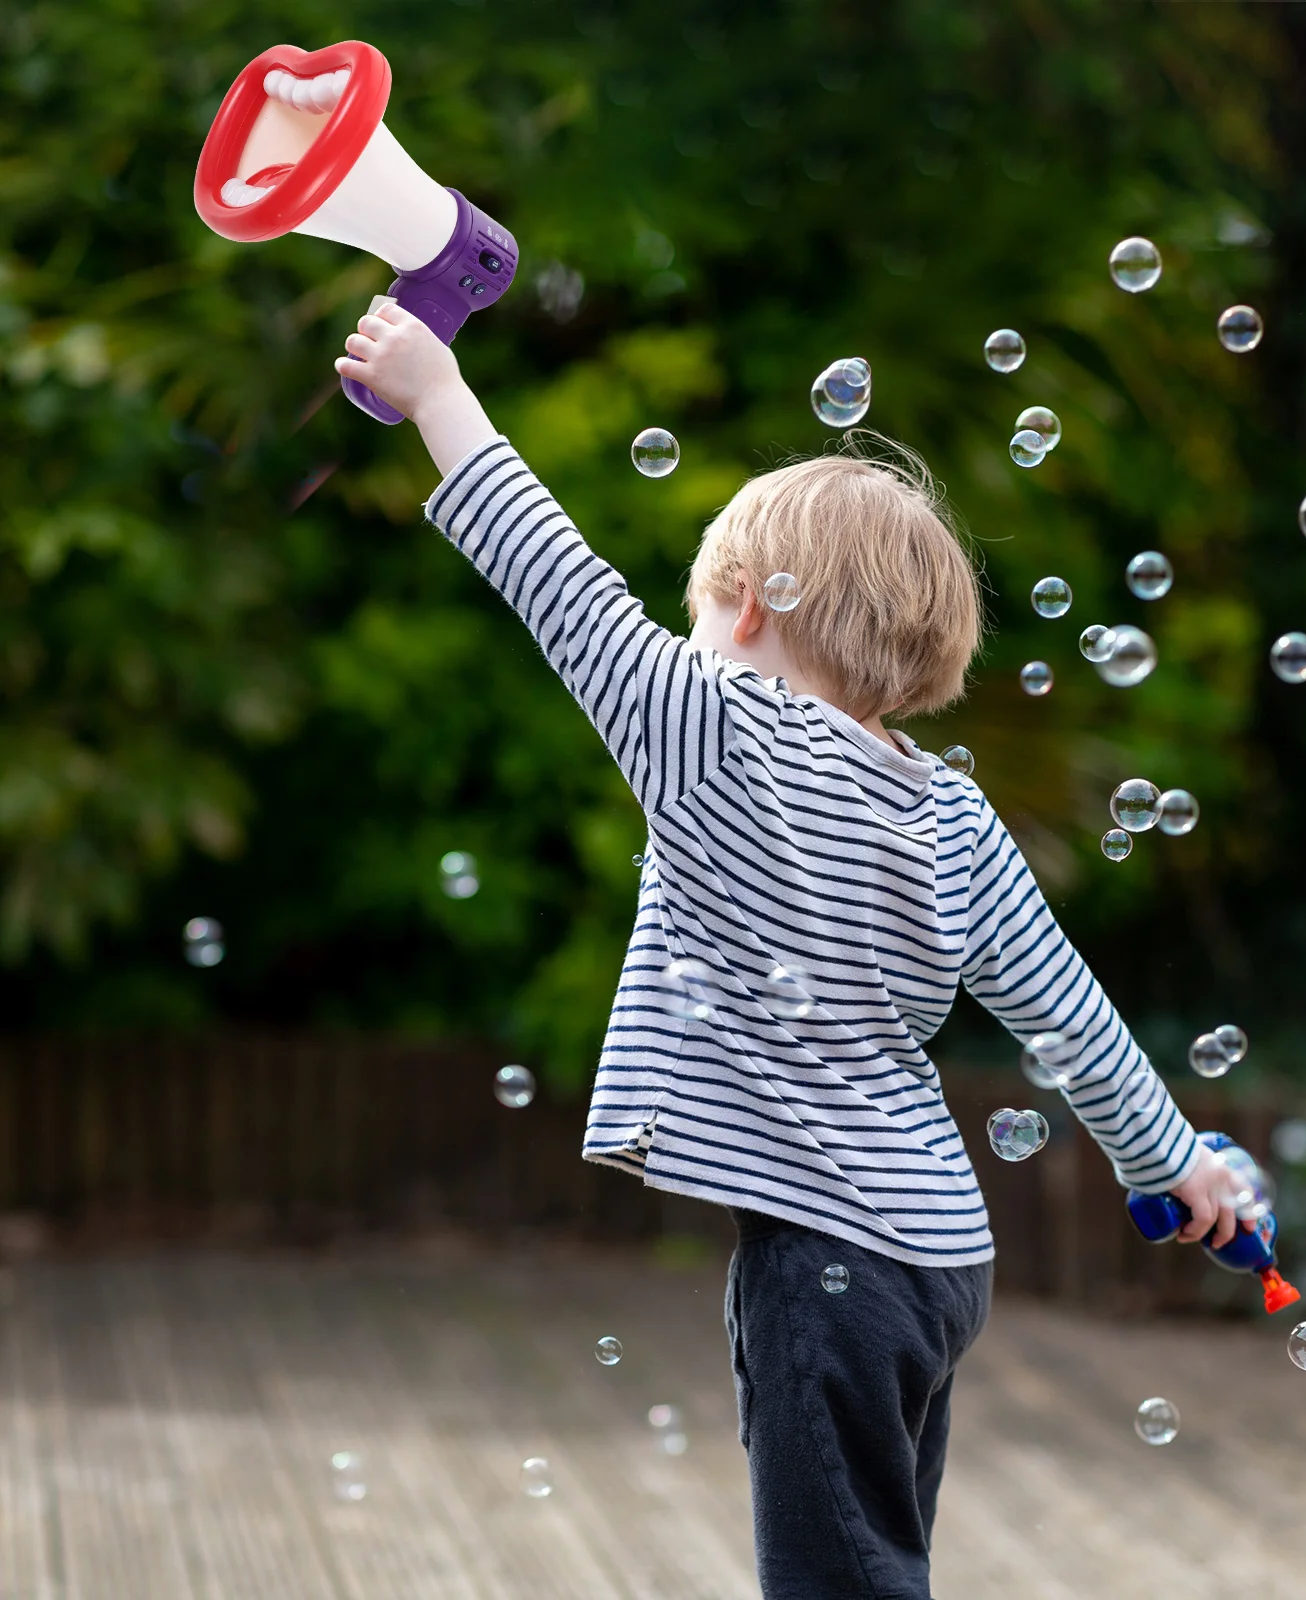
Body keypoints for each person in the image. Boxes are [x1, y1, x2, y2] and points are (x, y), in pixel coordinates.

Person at [335, 303, 1246, 1600]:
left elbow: (556, 579)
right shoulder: (948, 807)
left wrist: (437, 394)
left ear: (749, 605)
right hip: (938, 1257)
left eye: (697, 604)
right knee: (881, 1563)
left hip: (827, 1259)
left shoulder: (715, 731)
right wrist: (1177, 1162)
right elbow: (1069, 1016)